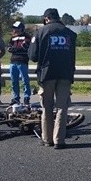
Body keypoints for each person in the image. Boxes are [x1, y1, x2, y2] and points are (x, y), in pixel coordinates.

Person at [29, 8, 77, 149]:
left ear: (46, 18)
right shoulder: (70, 33)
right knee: (62, 108)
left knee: (47, 108)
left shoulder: (40, 32)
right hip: (65, 74)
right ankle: (59, 140)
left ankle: (47, 139)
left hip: (46, 74)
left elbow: (33, 56)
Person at [7, 20, 32, 105]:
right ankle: (16, 98)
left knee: (25, 80)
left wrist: (16, 49)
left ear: (21, 29)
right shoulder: (12, 38)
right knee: (14, 81)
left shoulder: (27, 37)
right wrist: (17, 49)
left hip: (23, 61)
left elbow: (26, 48)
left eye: (15, 28)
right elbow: (9, 49)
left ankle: (26, 97)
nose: (14, 30)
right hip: (13, 61)